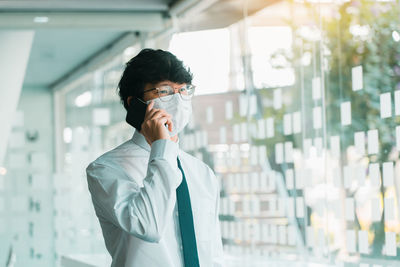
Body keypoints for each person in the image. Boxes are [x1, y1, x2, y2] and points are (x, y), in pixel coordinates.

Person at [86, 48, 225, 267]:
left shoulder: (201, 172)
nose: (178, 99)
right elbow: (147, 225)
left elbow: (213, 252)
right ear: (135, 104)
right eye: (164, 91)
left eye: (184, 90)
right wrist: (162, 147)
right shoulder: (105, 169)